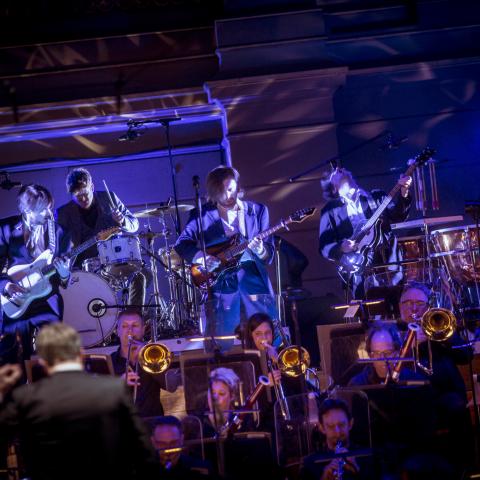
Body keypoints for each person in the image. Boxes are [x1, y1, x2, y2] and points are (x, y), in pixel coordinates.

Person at [0, 323, 157, 480]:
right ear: (81, 354)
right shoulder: (114, 389)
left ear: (42, 362)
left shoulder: (25, 398)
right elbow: (142, 448)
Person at [175, 165, 276, 348]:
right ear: (213, 194)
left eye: (231, 189)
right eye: (222, 193)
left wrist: (261, 249)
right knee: (222, 344)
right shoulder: (202, 215)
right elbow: (181, 244)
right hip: (221, 287)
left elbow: (269, 255)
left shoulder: (258, 211)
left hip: (254, 284)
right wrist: (201, 257)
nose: (229, 196)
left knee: (267, 340)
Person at [397, 282, 474, 470]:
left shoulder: (439, 325)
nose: (414, 308)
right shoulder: (392, 333)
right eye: (408, 303)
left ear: (428, 307)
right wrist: (409, 345)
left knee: (456, 407)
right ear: (400, 307)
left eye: (419, 303)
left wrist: (441, 338)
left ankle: (464, 467)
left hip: (444, 395)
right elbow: (389, 369)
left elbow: (466, 356)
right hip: (409, 399)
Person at [56, 167, 146, 306]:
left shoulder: (109, 198)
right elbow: (59, 249)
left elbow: (134, 224)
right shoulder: (63, 214)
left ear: (92, 187)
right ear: (71, 195)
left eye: (85, 193)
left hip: (114, 263)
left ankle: (131, 316)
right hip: (83, 271)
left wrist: (123, 220)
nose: (83, 199)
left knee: (141, 277)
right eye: (77, 196)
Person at [0, 184, 71, 361]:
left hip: (46, 299)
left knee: (53, 353)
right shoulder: (5, 229)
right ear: (26, 210)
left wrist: (64, 273)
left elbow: (64, 280)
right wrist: (7, 286)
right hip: (15, 299)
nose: (48, 214)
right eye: (42, 210)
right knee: (12, 356)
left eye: (49, 208)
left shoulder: (60, 233)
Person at [318, 167, 412, 299]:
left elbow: (398, 216)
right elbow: (324, 247)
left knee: (398, 303)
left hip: (388, 262)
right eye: (334, 172)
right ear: (334, 188)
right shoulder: (330, 211)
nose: (339, 168)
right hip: (359, 270)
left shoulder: (377, 197)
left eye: (340, 168)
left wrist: (404, 191)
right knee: (370, 308)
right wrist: (341, 247)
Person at [300, 398, 373, 480]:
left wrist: (358, 470)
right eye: (330, 426)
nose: (337, 432)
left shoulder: (368, 457)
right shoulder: (310, 464)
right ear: (321, 428)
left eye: (341, 425)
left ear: (350, 424)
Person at [110, 307, 164, 418]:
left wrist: (150, 362)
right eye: (124, 326)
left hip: (153, 423)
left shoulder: (155, 355)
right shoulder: (109, 362)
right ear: (117, 331)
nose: (130, 330)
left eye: (135, 325)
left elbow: (171, 387)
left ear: (143, 330)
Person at [348, 322, 425, 385]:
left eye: (388, 352)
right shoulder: (357, 384)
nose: (383, 358)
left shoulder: (415, 380)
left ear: (397, 353)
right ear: (370, 355)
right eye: (377, 353)